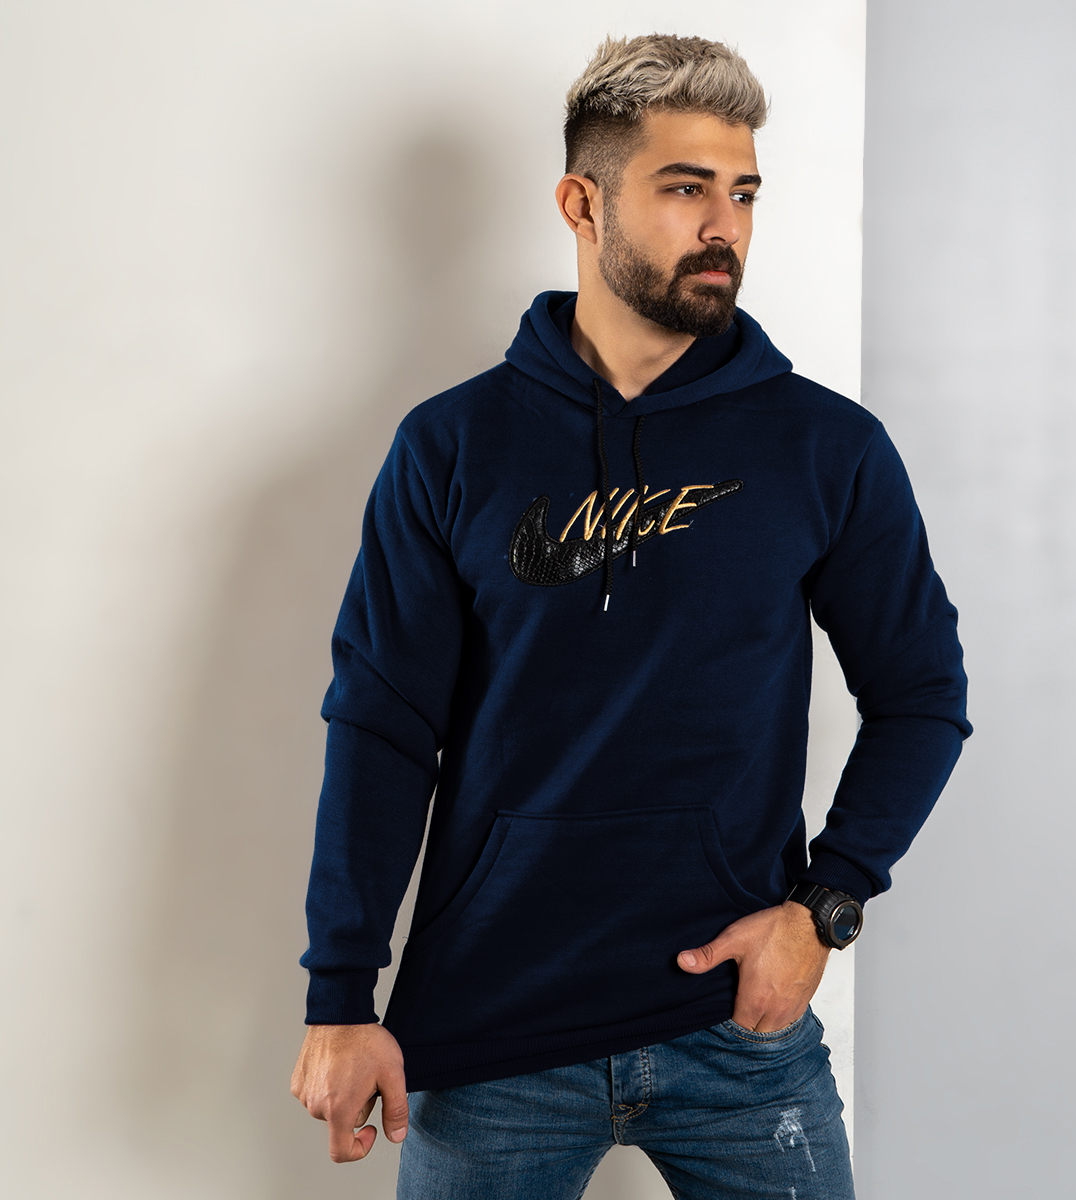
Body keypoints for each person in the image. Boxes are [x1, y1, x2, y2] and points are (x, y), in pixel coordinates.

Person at [290, 33, 970, 1200]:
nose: (724, 226)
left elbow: (921, 695)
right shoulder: (453, 447)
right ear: (582, 203)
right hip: (492, 1035)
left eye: (743, 193)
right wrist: (340, 997)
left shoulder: (825, 448)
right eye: (685, 188)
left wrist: (826, 907)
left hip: (739, 1029)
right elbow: (383, 727)